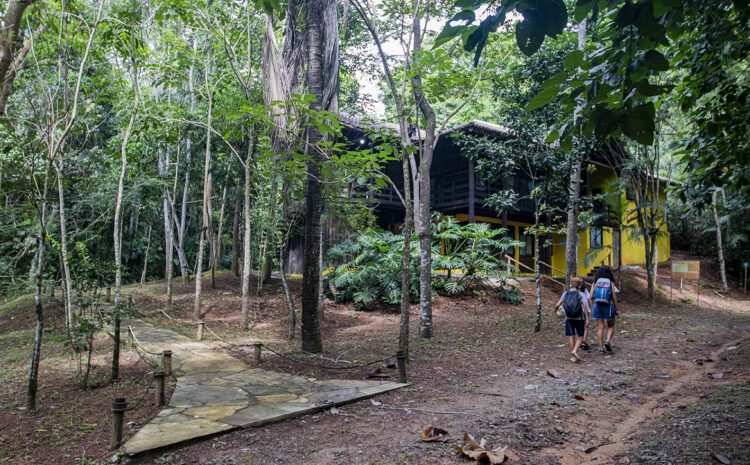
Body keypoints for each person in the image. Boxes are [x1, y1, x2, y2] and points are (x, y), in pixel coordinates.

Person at [555, 276, 589, 363]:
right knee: (580, 336)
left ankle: (573, 357)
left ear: (571, 284)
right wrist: (587, 318)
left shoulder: (566, 293)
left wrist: (556, 311)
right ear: (579, 285)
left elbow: (558, 304)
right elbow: (585, 306)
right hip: (579, 317)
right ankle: (575, 351)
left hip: (569, 317)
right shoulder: (580, 294)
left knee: (571, 335)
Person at [589, 266, 619, 355]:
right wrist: (617, 308)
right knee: (611, 325)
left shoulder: (595, 282)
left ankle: (601, 348)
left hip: (597, 306)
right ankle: (607, 340)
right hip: (608, 306)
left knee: (600, 327)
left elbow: (590, 296)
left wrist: (592, 306)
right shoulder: (610, 282)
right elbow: (614, 296)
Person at [578, 279, 592, 351]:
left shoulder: (574, 290)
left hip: (577, 311)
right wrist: (592, 307)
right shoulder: (584, 290)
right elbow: (589, 299)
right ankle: (583, 341)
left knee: (579, 326)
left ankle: (579, 341)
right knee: (586, 326)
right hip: (586, 310)